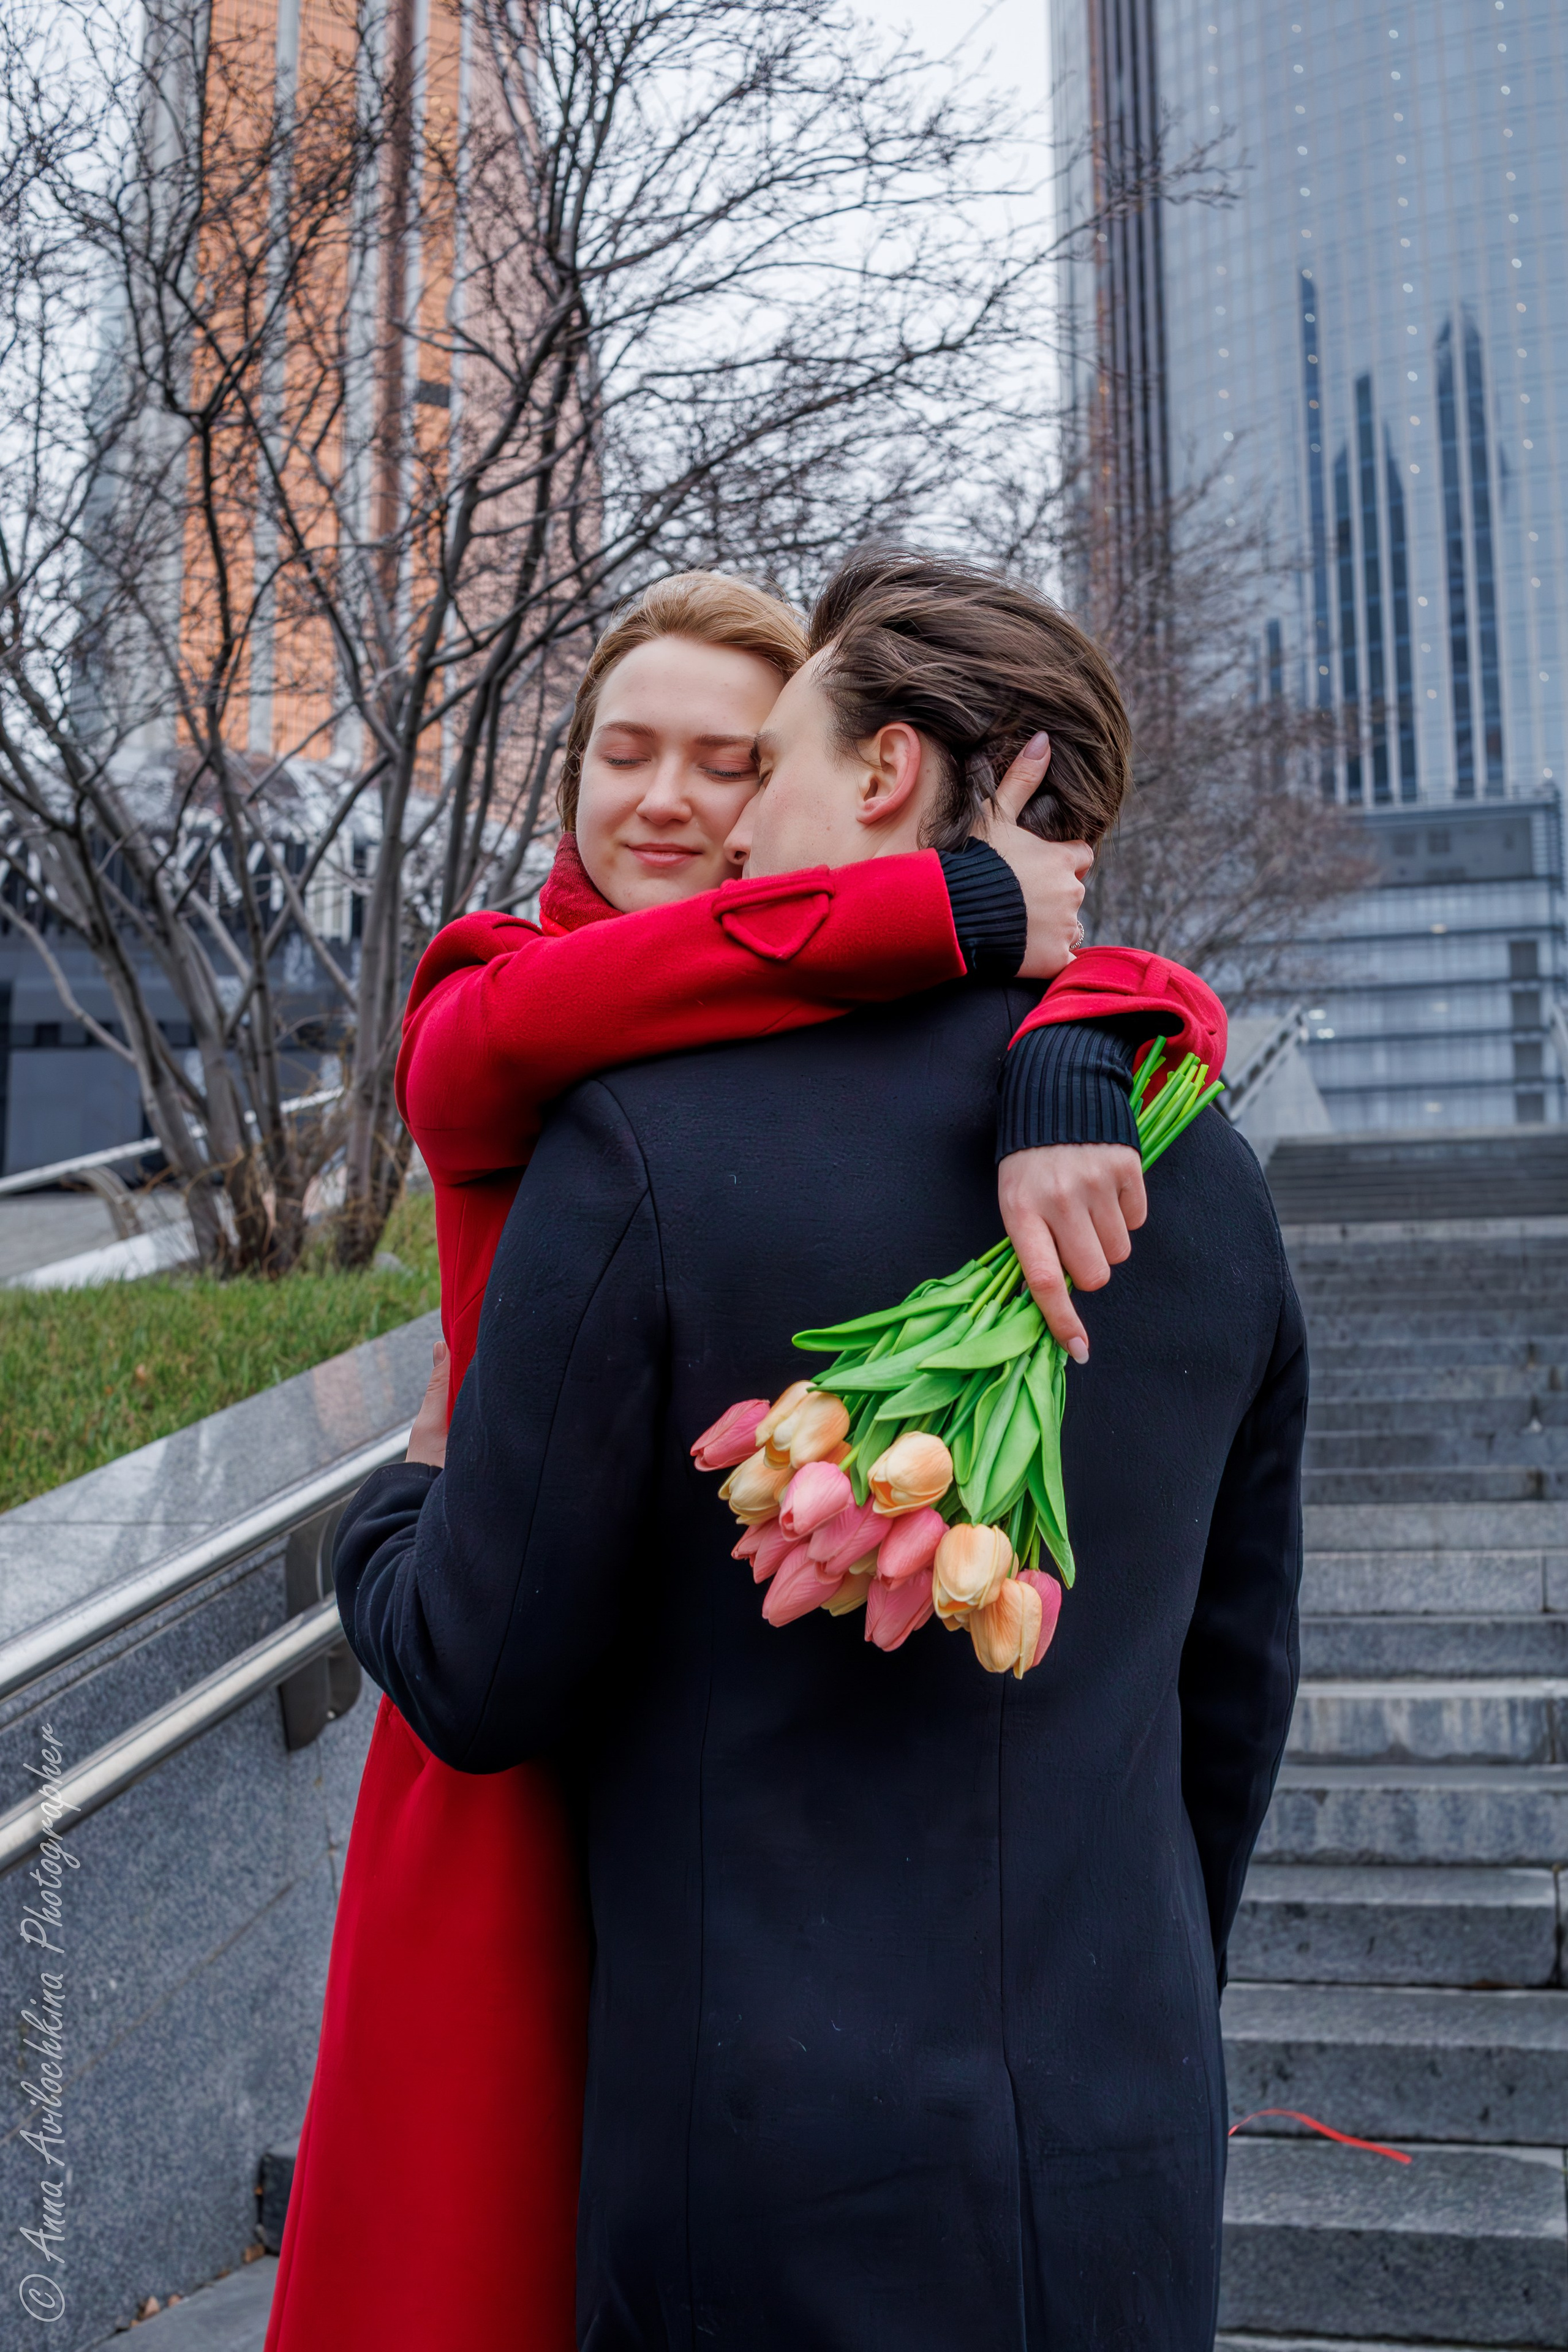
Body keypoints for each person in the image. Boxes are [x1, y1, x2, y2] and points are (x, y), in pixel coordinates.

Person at [333, 550, 1306, 2350]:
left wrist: (385, 1518)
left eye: (761, 757)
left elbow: (485, 1669)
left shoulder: (636, 1153)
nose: (716, 820)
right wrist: (1147, 2002)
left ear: (876, 777)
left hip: (758, 2168)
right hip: (1124, 2138)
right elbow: (1234, 1692)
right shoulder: (1201, 1176)